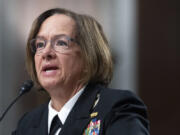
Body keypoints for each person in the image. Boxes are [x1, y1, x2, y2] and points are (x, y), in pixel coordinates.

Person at [12, 8, 149, 135]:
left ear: (88, 55)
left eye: (60, 43)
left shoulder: (117, 108)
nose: (46, 53)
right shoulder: (28, 123)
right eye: (40, 45)